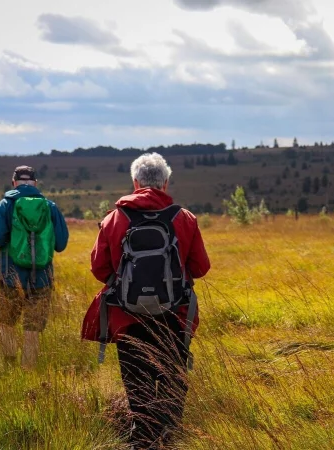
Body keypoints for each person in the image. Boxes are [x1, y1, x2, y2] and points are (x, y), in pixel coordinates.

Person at [82, 153, 210, 448]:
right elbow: (201, 268)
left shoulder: (115, 219)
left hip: (128, 317)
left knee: (136, 384)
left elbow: (99, 269)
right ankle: (170, 438)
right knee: (172, 380)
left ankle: (142, 438)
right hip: (174, 316)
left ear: (135, 182)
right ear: (165, 183)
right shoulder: (184, 218)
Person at [0, 166, 69, 369]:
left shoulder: (5, 205)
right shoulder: (50, 207)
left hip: (10, 277)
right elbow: (61, 244)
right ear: (35, 184)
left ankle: (9, 366)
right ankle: (28, 370)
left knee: (6, 322)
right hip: (42, 279)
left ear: (13, 182)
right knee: (32, 327)